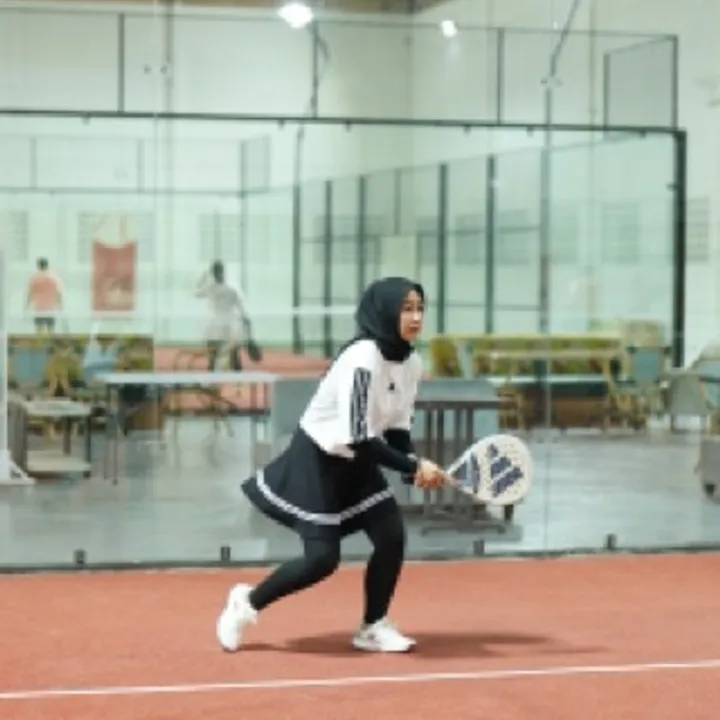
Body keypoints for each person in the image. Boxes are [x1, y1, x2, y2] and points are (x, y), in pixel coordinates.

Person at [216, 276, 447, 654]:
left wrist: (411, 468)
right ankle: (246, 603)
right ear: (386, 311)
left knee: (391, 536)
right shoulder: (362, 357)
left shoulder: (411, 363)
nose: (416, 317)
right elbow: (357, 435)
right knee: (321, 560)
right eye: (407, 308)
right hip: (319, 459)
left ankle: (373, 626)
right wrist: (414, 465)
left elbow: (396, 428)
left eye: (421, 308)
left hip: (360, 460)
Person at [194, 260, 250, 371]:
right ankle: (238, 376)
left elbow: (195, 292)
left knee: (214, 355)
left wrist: (203, 276)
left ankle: (213, 374)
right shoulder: (231, 287)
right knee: (233, 355)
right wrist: (245, 319)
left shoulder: (210, 288)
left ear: (213, 273)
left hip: (215, 325)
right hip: (228, 324)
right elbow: (240, 306)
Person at [26, 257, 63, 333]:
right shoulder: (54, 278)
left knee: (39, 330)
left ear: (38, 266)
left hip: (39, 309)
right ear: (47, 266)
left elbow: (30, 294)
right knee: (51, 330)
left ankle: (39, 340)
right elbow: (59, 293)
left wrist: (27, 306)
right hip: (51, 309)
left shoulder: (34, 279)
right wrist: (60, 305)